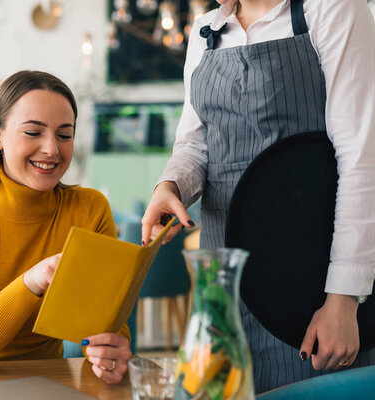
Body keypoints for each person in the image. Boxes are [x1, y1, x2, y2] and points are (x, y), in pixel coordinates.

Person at [141, 0, 375, 393]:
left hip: (308, 275)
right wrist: (170, 186)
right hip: (223, 276)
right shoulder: (206, 32)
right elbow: (195, 144)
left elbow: (362, 154)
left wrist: (344, 297)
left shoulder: (332, 9)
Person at [0, 70, 131, 384]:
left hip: (42, 383)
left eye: (64, 134)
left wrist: (111, 351)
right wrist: (32, 281)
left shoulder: (89, 208)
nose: (52, 150)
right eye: (33, 132)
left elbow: (107, 319)